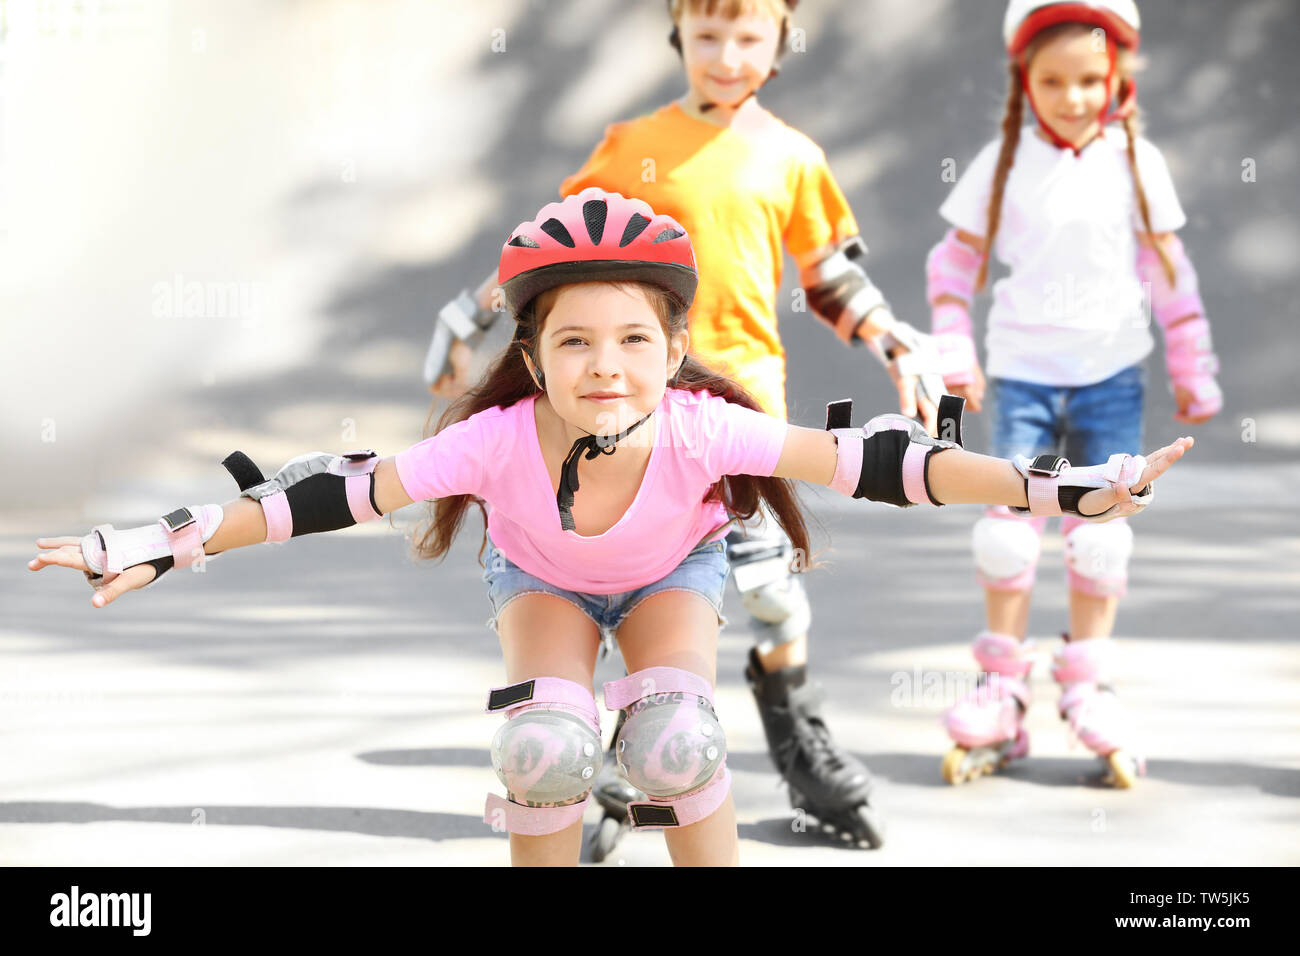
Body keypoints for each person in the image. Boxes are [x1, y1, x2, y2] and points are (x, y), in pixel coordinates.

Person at [31, 189, 1193, 865]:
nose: (605, 364)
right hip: (535, 578)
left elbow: (882, 463)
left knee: (674, 740)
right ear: (529, 355)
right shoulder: (488, 442)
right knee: (544, 747)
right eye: (573, 341)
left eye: (634, 339)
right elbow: (317, 496)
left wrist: (1056, 489)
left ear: (674, 351)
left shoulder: (699, 431)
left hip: (669, 575)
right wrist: (160, 537)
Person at [424, 0, 947, 850]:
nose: (728, 54)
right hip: (639, 429)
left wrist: (895, 340)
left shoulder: (793, 157)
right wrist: (471, 311)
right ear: (679, 38)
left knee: (776, 604)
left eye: (749, 36)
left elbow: (832, 278)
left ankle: (796, 743)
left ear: (781, 41)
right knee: (610, 595)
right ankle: (593, 770)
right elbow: (556, 252)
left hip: (742, 430)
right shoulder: (633, 145)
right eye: (709, 35)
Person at [925, 0, 1221, 788]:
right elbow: (951, 269)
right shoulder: (1003, 160)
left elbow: (1168, 269)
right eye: (1052, 79)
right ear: (1025, 77)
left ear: (1119, 72)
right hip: (1022, 367)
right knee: (1008, 529)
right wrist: (952, 350)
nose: (1074, 96)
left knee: (1103, 526)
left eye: (1091, 78)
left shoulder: (1137, 162)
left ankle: (1089, 684)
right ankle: (1003, 686)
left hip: (1111, 372)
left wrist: (1192, 363)